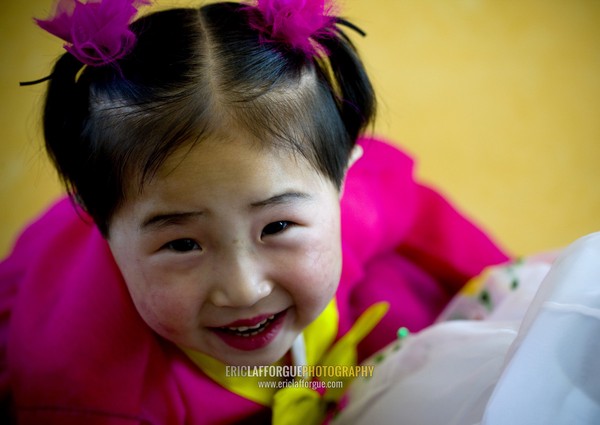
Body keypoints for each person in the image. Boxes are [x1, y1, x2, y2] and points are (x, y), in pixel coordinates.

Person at [0, 0, 508, 423]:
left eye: (278, 227)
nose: (244, 288)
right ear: (99, 222)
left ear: (343, 181)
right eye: (182, 244)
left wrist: (508, 291)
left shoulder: (357, 200)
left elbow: (433, 223)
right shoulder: (88, 394)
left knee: (403, 299)